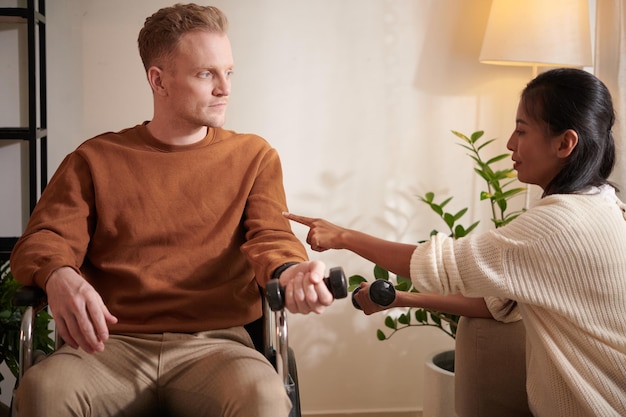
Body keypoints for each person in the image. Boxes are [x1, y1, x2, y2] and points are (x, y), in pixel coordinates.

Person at [9, 4, 334, 417]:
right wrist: (58, 275)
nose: (225, 88)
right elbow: (42, 240)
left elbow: (270, 237)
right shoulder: (95, 159)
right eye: (206, 74)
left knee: (265, 397)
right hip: (107, 345)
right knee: (43, 391)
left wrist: (289, 271)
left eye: (228, 72)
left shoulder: (253, 156)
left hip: (217, 346)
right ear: (158, 80)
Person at [285, 68, 626, 417]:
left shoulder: (559, 224)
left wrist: (342, 236)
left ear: (565, 143)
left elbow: (438, 264)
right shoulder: (602, 204)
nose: (510, 143)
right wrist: (399, 298)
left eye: (522, 130)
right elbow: (496, 302)